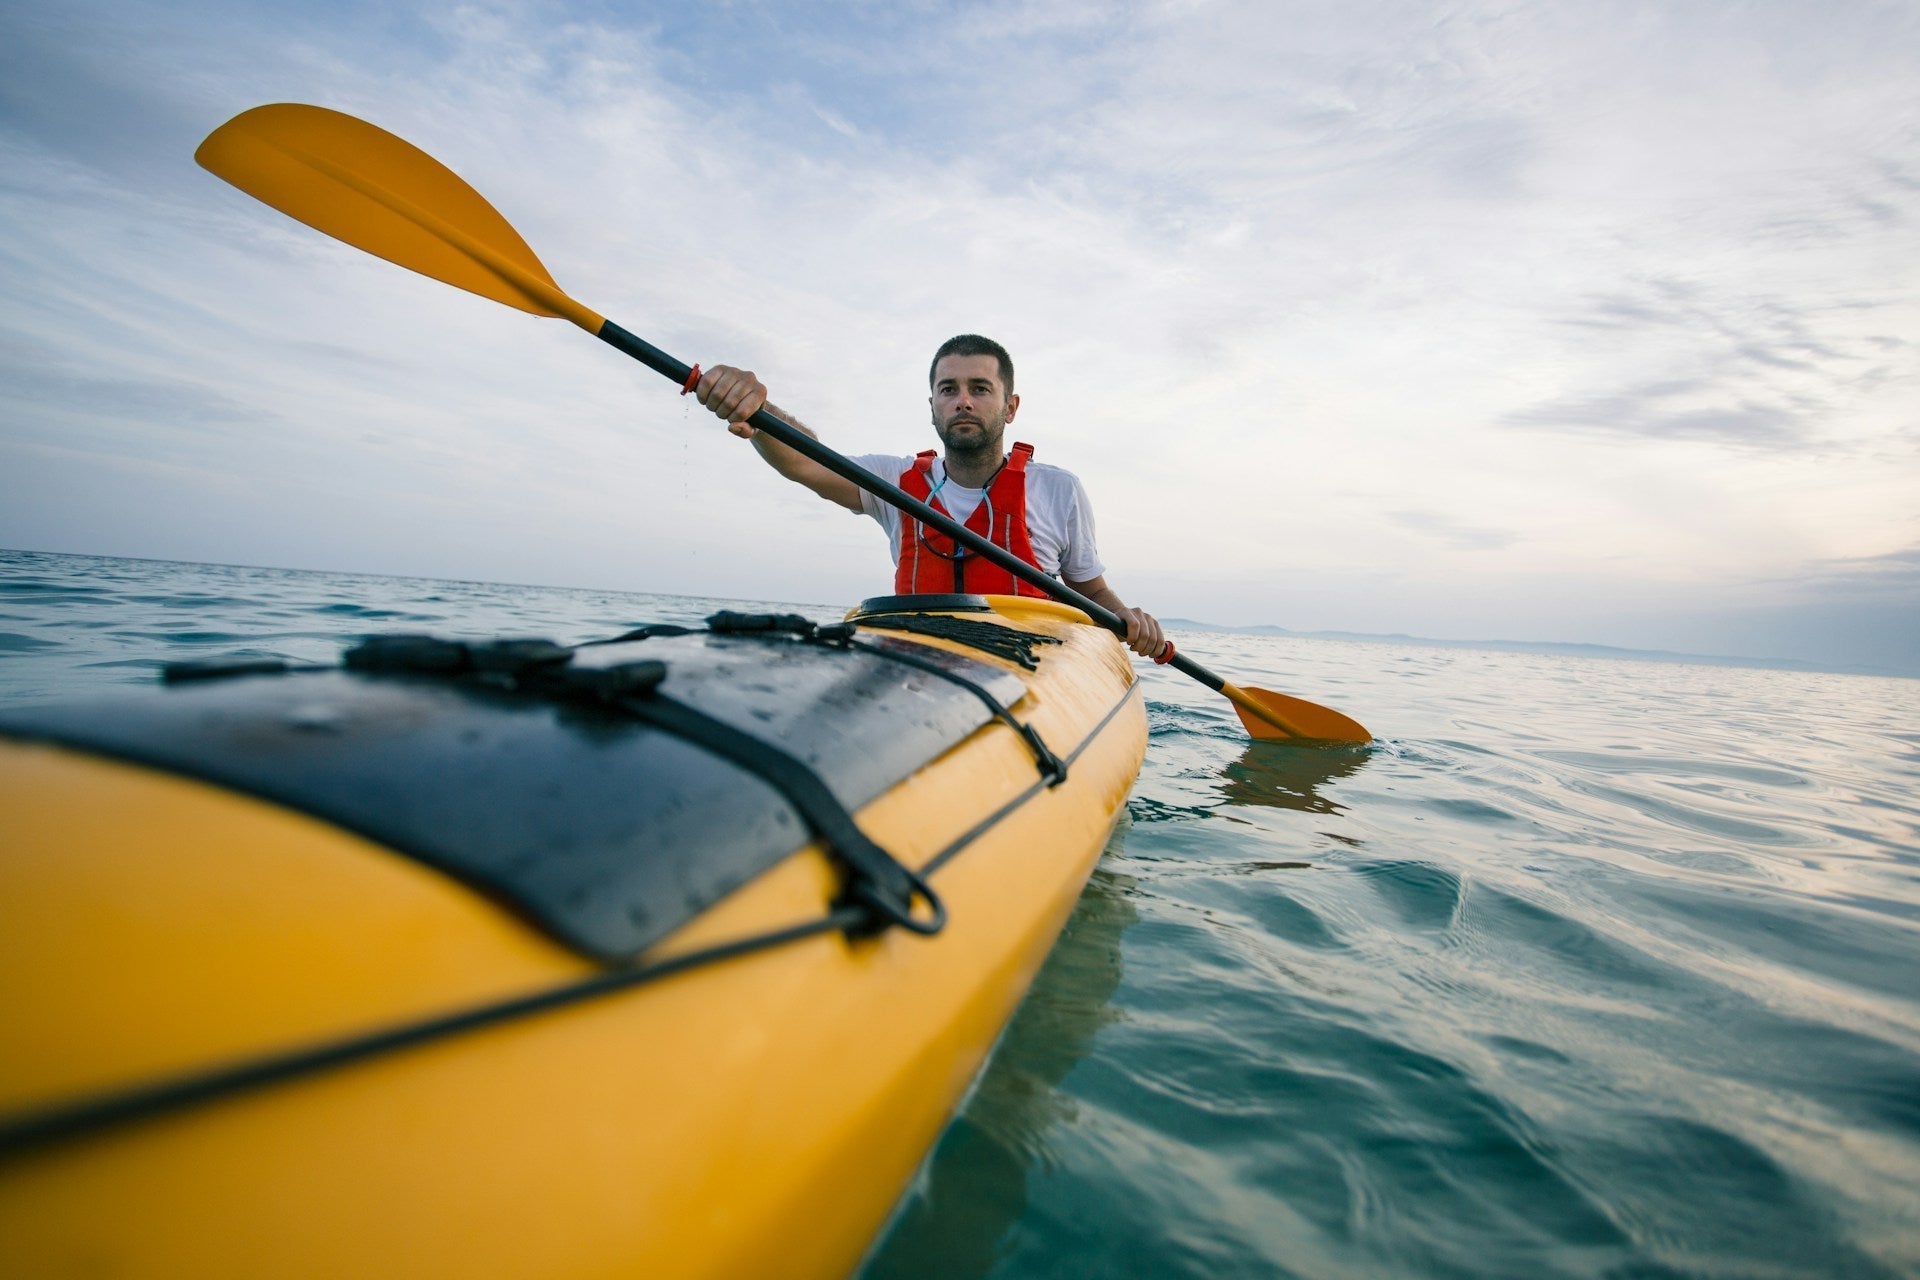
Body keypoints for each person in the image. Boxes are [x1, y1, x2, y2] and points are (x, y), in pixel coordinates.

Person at [691, 333, 1167, 658]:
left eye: (980, 388)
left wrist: (1125, 618)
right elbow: (806, 460)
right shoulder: (892, 482)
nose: (963, 400)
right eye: (949, 389)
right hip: (921, 663)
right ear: (933, 406)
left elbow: (1090, 589)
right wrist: (759, 411)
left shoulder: (1058, 488)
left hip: (1032, 669)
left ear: (1010, 406)